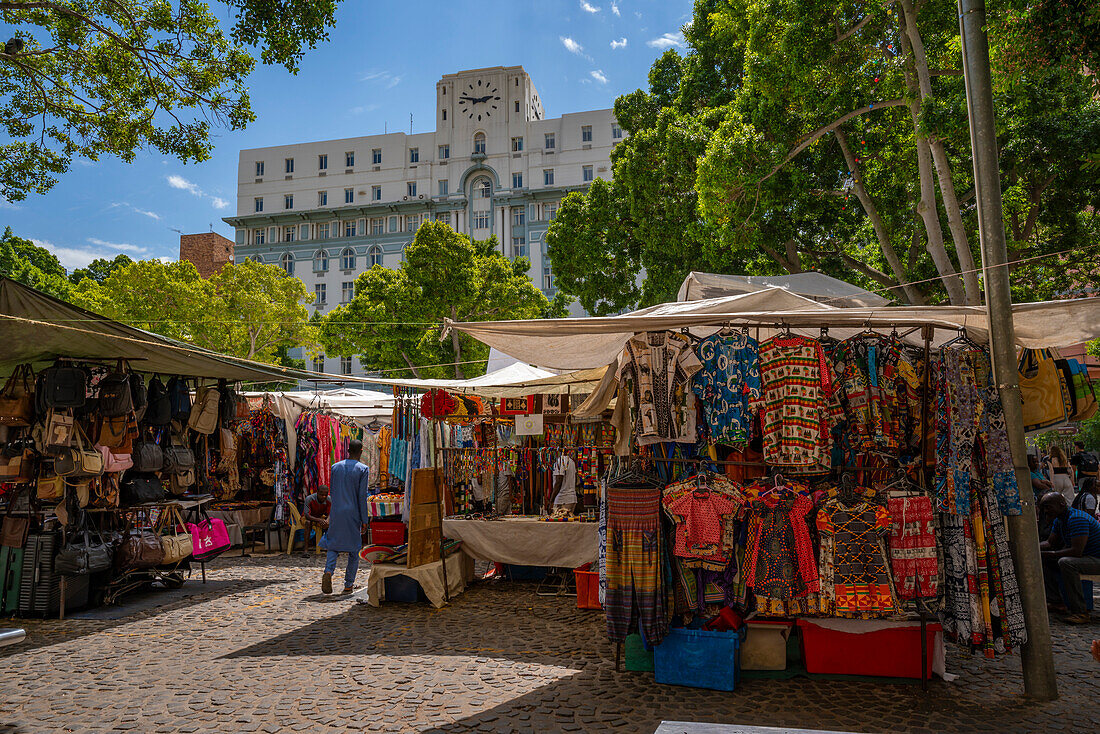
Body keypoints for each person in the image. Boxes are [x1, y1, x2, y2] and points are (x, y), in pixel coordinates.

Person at [1038, 492, 1100, 624]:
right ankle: (1057, 601)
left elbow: (1076, 552)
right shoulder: (1060, 519)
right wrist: (1033, 548)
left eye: (1048, 507)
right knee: (1045, 559)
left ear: (1061, 505)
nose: (1045, 511)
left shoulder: (1076, 518)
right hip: (1088, 557)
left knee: (1067, 563)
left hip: (1095, 558)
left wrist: (1052, 554)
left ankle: (1081, 612)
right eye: (1044, 508)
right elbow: (1050, 543)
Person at [322, 439, 371, 595]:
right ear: (361, 451)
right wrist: (365, 519)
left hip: (336, 511)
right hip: (352, 512)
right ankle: (348, 584)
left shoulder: (335, 467)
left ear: (348, 450)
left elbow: (333, 491)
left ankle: (328, 571)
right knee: (354, 549)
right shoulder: (363, 469)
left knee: (333, 544)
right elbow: (362, 496)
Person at [301, 484, 331, 556]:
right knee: (308, 523)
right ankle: (305, 550)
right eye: (321, 495)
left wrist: (327, 520)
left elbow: (331, 513)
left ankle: (330, 548)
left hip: (320, 517)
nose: (323, 497)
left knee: (331, 524)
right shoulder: (309, 499)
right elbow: (307, 515)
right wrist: (319, 520)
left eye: (325, 495)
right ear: (317, 492)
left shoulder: (329, 499)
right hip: (308, 517)